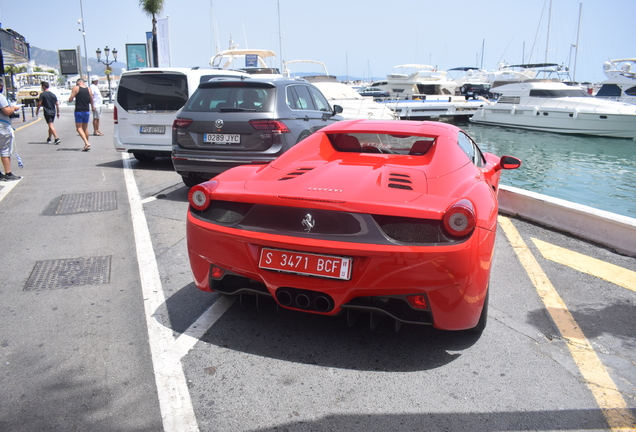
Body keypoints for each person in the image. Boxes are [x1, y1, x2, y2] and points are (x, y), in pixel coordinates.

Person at [0, 78, 23, 181]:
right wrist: (13, 108)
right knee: (5, 149)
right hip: (2, 126)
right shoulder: (0, 97)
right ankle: (8, 173)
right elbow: (7, 111)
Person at [68, 78, 93, 151]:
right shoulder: (89, 89)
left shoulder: (76, 88)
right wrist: (93, 106)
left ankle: (86, 142)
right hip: (86, 110)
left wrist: (70, 99)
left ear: (78, 82)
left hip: (79, 110)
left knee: (79, 128)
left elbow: (71, 98)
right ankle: (86, 144)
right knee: (85, 128)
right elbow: (91, 99)